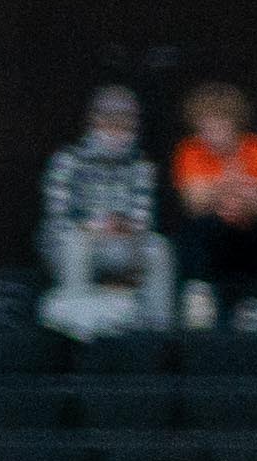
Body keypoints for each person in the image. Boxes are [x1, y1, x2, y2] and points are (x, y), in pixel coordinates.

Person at [169, 83, 257, 333]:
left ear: (235, 124)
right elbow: (193, 203)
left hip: (252, 239)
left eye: (219, 125)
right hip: (217, 241)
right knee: (195, 226)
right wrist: (225, 185)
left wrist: (254, 200)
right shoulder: (190, 151)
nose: (211, 134)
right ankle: (198, 299)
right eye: (205, 127)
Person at [36, 85, 169, 339]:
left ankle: (158, 332)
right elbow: (57, 215)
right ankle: (77, 321)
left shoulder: (142, 166)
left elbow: (144, 218)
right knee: (76, 242)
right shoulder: (67, 160)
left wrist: (123, 229)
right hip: (73, 242)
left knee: (158, 248)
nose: (117, 132)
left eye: (125, 125)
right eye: (110, 123)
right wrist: (93, 227)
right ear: (95, 122)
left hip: (121, 242)